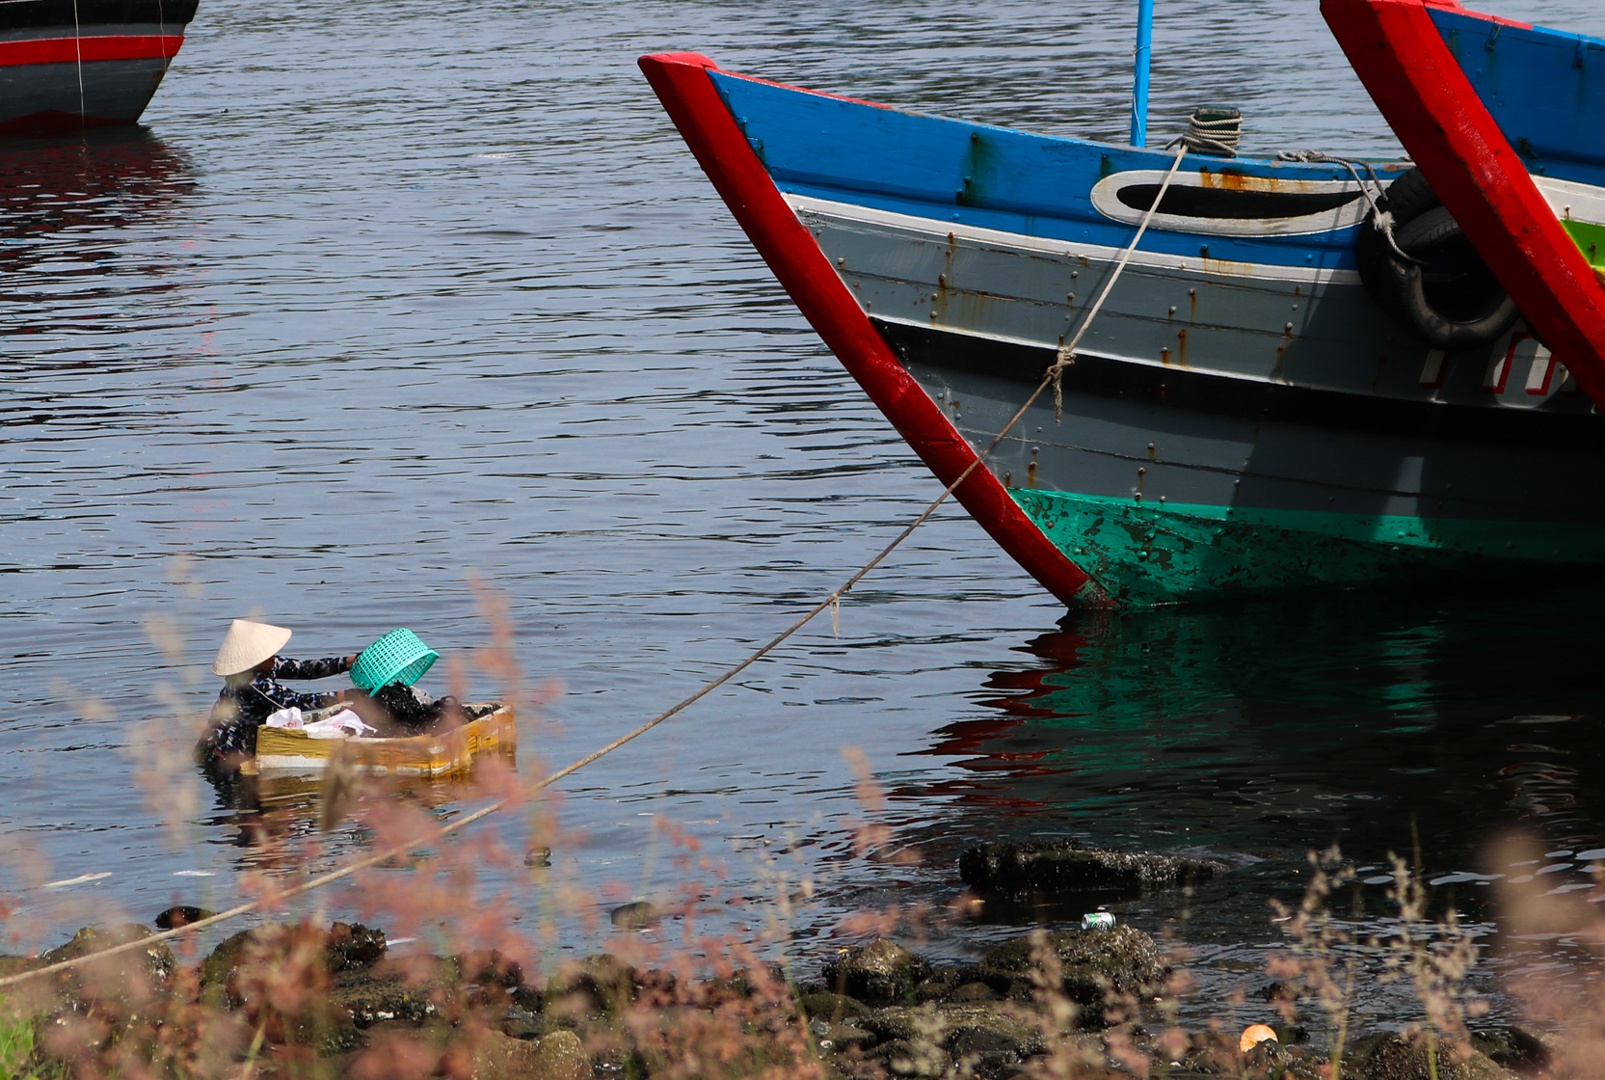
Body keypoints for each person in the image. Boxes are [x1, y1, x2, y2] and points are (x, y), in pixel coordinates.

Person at [197, 619, 358, 770]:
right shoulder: (252, 683)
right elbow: (296, 702)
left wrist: (348, 662)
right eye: (268, 653)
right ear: (256, 659)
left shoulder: (267, 665)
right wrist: (347, 696)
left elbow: (305, 668)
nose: (274, 655)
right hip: (224, 755)